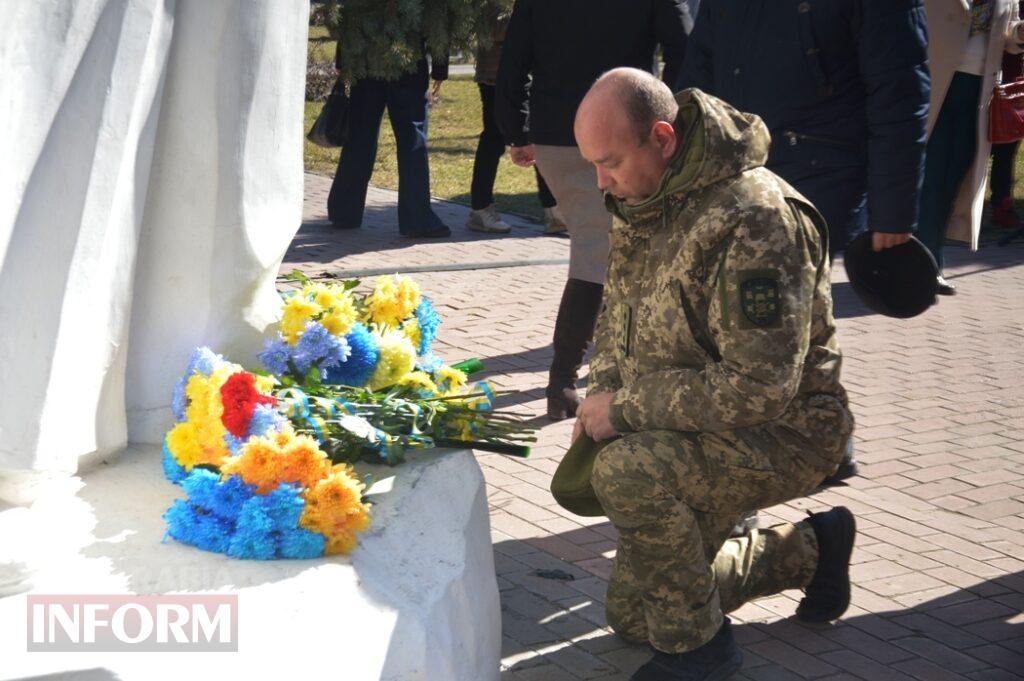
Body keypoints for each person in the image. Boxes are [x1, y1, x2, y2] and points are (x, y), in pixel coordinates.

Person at [572, 68, 856, 680]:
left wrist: (624, 412)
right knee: (634, 616)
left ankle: (698, 656)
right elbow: (617, 319)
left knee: (631, 473)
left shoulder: (755, 219)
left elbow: (760, 386)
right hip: (694, 424)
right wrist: (602, 393)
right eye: (593, 163)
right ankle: (813, 549)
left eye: (612, 161)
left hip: (786, 432)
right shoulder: (645, 199)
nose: (602, 180)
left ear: (664, 138)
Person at [677, 0, 929, 483]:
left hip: (821, 169)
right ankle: (825, 440)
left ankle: (763, 461)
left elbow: (899, 88)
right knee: (781, 320)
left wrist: (893, 210)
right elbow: (698, 70)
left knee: (762, 318)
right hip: (735, 168)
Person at [495, 0, 692, 420]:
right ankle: (564, 379)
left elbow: (513, 57)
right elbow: (682, 45)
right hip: (626, 131)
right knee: (597, 252)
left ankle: (591, 374)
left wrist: (515, 128)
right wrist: (669, 114)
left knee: (606, 248)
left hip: (557, 132)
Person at [919, 0, 1024, 292]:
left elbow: (1010, 37)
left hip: (979, 94)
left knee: (953, 180)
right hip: (935, 83)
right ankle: (923, 263)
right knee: (931, 179)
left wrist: (1019, 34)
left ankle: (932, 260)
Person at [327, 38, 452, 238]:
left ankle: (344, 210)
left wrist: (343, 59)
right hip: (407, 58)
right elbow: (437, 16)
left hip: (368, 55)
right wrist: (440, 67)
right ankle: (417, 218)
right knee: (412, 138)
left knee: (360, 134)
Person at [467, 4, 565, 234]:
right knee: (493, 138)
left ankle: (553, 211)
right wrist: (535, 15)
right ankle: (480, 209)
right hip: (496, 76)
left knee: (539, 135)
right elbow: (490, 27)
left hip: (529, 73)